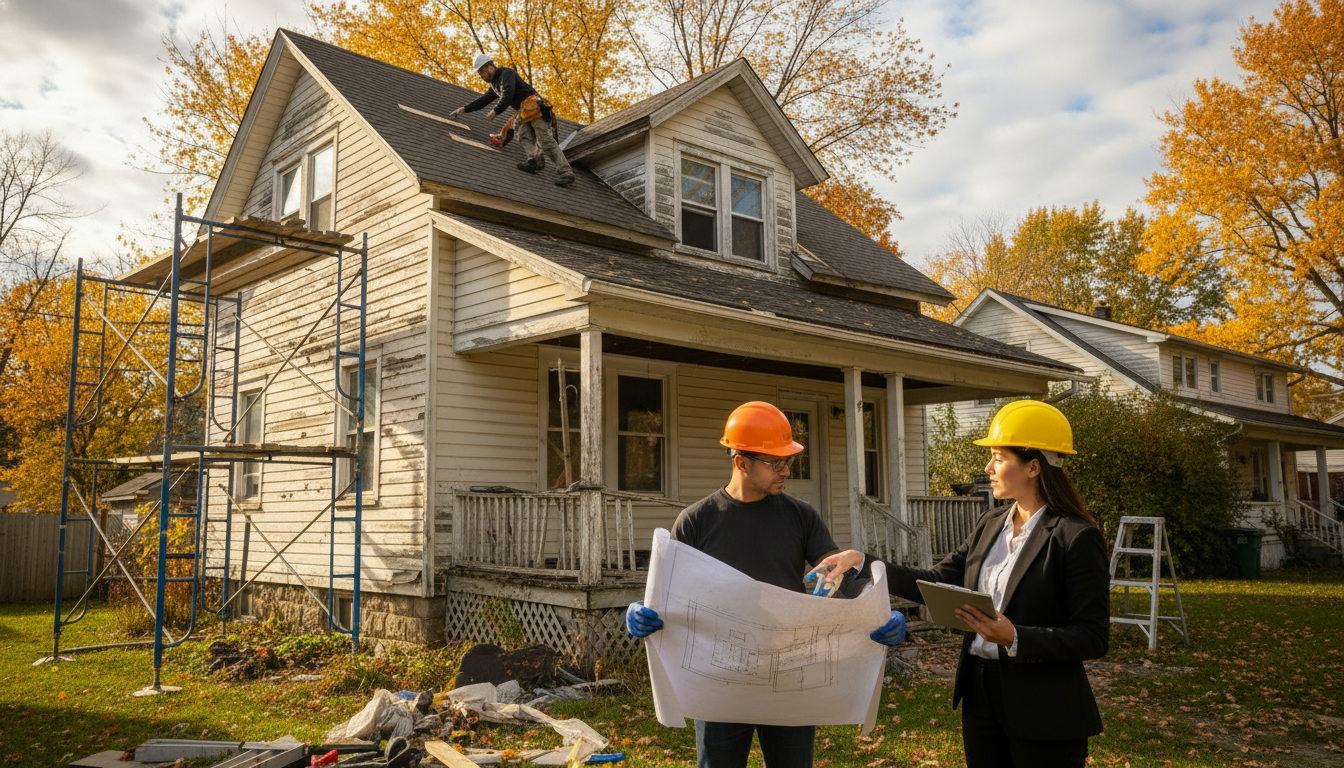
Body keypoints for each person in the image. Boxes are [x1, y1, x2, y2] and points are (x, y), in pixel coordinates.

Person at [812, 399, 1110, 768]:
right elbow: (936, 580)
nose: (988, 467)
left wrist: (1016, 637)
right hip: (981, 694)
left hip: (1044, 706)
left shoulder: (1075, 538)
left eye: (999, 458)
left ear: (1034, 466)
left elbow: (1093, 636)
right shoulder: (990, 523)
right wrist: (861, 561)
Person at [624, 401, 906, 768]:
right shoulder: (696, 522)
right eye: (776, 463)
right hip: (720, 679)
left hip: (790, 674)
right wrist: (640, 612)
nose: (786, 470)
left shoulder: (801, 516)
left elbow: (838, 575)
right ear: (741, 462)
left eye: (788, 461)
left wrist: (875, 608)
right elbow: (666, 594)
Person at [449, 53, 575, 187]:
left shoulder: (506, 74)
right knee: (522, 135)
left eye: (482, 72)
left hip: (536, 108)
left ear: (490, 66)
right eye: (480, 74)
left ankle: (566, 173)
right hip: (525, 112)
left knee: (546, 141)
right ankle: (536, 161)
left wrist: (496, 110)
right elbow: (483, 100)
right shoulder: (495, 85)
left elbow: (507, 93)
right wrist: (464, 109)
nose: (482, 76)